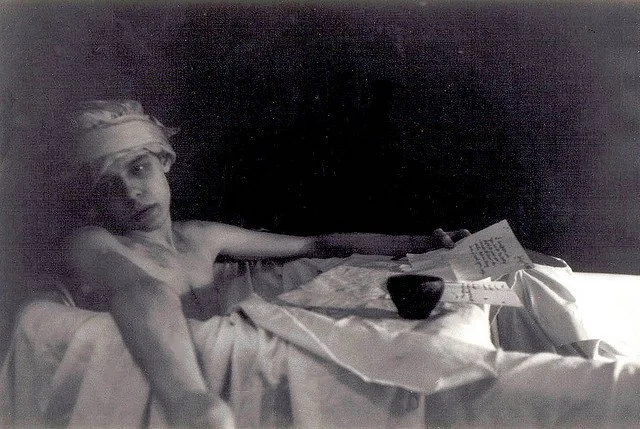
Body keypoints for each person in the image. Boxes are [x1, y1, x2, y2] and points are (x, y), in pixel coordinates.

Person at [62, 99, 471, 428]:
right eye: (110, 187)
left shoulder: (199, 237)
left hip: (239, 374)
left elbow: (317, 245)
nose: (131, 193)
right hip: (183, 393)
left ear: (164, 162)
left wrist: (421, 243)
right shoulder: (92, 243)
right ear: (95, 200)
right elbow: (141, 289)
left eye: (139, 170)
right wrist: (188, 400)